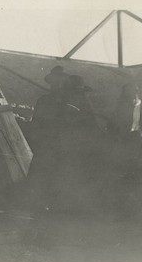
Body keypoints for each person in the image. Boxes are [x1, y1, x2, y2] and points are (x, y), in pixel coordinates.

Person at [25, 65, 98, 213]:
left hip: (64, 148)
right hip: (48, 147)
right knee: (42, 179)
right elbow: (36, 125)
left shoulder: (72, 102)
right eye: (54, 82)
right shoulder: (44, 101)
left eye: (60, 83)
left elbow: (87, 125)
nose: (56, 85)